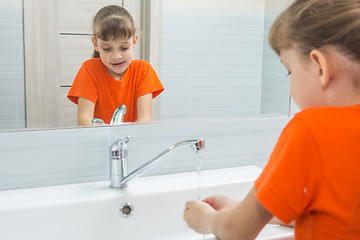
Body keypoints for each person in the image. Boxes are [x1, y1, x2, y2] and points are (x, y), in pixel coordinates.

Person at [183, 0, 360, 239]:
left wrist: (205, 218)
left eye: (290, 70)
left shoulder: (311, 129)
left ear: (319, 67)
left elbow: (235, 231)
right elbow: (331, 214)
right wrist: (240, 206)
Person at [67, 5, 164, 126]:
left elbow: (144, 119)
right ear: (95, 44)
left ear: (134, 41)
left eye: (124, 48)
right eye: (107, 49)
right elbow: (84, 120)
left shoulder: (143, 70)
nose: (116, 56)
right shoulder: (89, 69)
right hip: (97, 141)